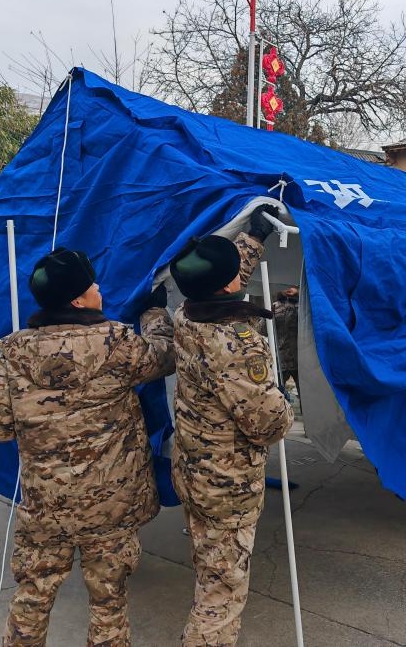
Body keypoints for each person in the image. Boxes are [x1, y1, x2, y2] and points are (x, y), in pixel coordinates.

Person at [0, 247, 175, 646]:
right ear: (79, 299)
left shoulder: (14, 352)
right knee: (109, 602)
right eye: (93, 284)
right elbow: (164, 357)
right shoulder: (115, 341)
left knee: (33, 596)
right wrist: (154, 313)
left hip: (47, 505)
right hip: (110, 505)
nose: (100, 289)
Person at [169, 205, 294, 645]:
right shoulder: (236, 342)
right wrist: (286, 404)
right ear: (225, 285)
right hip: (228, 484)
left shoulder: (186, 314)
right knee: (222, 589)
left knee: (210, 561)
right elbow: (268, 424)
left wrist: (253, 238)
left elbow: (222, 275)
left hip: (193, 468)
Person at [273, 286, 300, 402]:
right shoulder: (275, 306)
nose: (289, 289)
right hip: (281, 358)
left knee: (308, 395)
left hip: (299, 358)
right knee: (276, 394)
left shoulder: (302, 305)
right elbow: (263, 329)